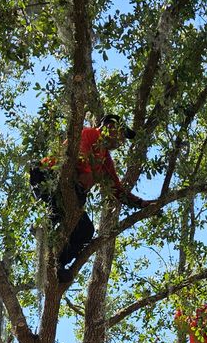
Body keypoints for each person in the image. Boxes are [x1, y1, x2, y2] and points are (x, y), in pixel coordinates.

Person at [30, 114, 146, 281]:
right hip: (45, 176)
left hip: (69, 191)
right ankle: (43, 226)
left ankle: (57, 264)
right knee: (75, 197)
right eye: (121, 134)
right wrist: (87, 176)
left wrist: (140, 203)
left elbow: (116, 189)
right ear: (109, 126)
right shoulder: (90, 133)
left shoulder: (105, 159)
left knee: (85, 230)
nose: (122, 141)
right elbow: (80, 154)